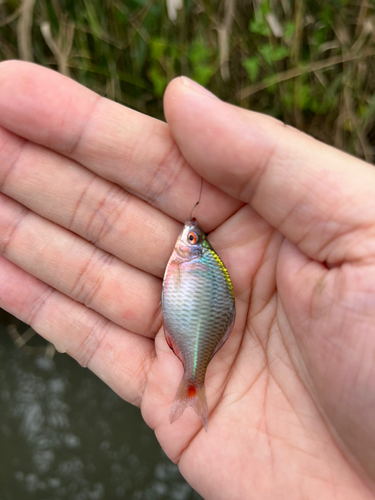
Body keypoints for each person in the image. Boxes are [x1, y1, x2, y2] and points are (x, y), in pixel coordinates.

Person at [0, 60, 374, 500]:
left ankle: (192, 384)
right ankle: (191, 385)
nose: (187, 236)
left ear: (192, 246)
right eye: (192, 236)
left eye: (191, 237)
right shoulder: (195, 261)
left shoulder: (194, 261)